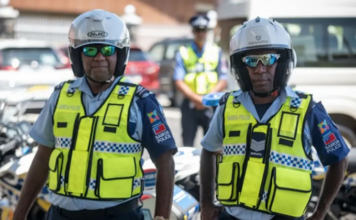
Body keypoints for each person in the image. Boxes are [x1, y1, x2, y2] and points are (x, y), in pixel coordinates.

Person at [13, 9, 176, 220]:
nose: (99, 57)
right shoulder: (60, 96)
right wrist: (19, 214)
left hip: (118, 216)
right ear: (77, 56)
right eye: (90, 50)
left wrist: (161, 216)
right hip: (60, 215)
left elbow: (166, 162)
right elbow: (43, 157)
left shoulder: (140, 101)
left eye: (108, 50)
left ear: (120, 55)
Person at [199, 17, 349, 220]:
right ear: (241, 68)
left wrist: (320, 213)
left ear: (283, 62)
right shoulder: (227, 107)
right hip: (232, 216)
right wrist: (206, 204)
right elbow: (208, 150)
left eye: (269, 59)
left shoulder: (308, 109)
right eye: (251, 61)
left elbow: (338, 159)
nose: (260, 69)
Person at [174, 14, 228, 147]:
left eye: (203, 30)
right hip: (190, 104)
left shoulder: (216, 51)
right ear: (193, 31)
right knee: (187, 144)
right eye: (197, 30)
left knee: (214, 144)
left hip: (211, 104)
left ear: (207, 32)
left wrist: (206, 98)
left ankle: (211, 169)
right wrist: (196, 99)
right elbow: (178, 80)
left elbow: (223, 79)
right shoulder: (183, 52)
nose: (200, 33)